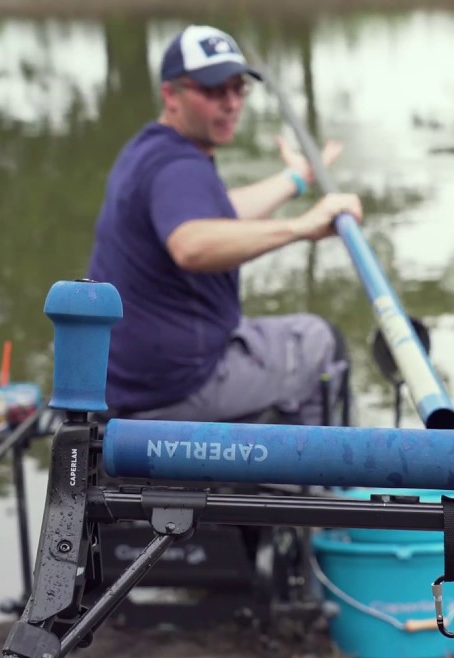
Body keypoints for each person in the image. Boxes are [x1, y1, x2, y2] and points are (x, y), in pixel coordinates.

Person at [86, 24, 362, 426]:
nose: (231, 103)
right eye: (214, 91)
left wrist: (296, 180)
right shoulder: (178, 166)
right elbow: (192, 243)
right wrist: (301, 227)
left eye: (238, 89)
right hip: (176, 386)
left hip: (129, 379)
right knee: (322, 343)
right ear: (171, 94)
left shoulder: (151, 149)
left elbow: (215, 212)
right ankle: (315, 482)